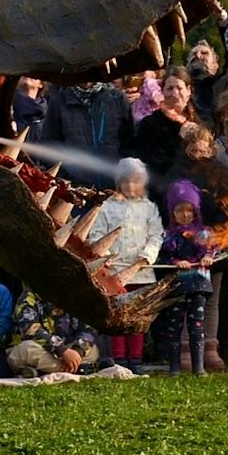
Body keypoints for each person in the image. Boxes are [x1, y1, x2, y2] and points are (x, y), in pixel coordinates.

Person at [87, 157, 165, 372]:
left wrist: (146, 258)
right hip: (114, 273)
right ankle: (119, 360)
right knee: (118, 316)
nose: (131, 186)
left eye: (135, 181)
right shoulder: (107, 208)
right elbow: (97, 233)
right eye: (126, 181)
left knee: (137, 315)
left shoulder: (149, 208)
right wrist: (105, 255)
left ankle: (136, 360)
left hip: (141, 272)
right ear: (119, 182)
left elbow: (156, 235)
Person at [173, 121, 228, 371]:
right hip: (185, 246)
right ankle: (187, 347)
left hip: (213, 246)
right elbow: (172, 205)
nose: (199, 156)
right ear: (188, 149)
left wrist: (215, 235)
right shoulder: (177, 172)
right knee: (186, 297)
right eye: (194, 151)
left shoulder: (221, 173)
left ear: (211, 150)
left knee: (211, 298)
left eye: (204, 151)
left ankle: (210, 346)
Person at [156, 179, 216, 375]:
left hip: (198, 285)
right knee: (174, 326)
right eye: (180, 210)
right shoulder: (168, 236)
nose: (185, 214)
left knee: (196, 325)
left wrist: (207, 257)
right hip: (177, 285)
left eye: (189, 210)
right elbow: (164, 256)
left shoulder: (204, 233)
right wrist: (175, 263)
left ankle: (199, 367)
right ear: (172, 212)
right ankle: (175, 367)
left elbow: (214, 248)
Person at [37, 80, 133, 190]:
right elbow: (50, 147)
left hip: (114, 188)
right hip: (77, 191)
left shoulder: (117, 99)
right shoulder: (59, 102)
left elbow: (129, 143)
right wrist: (65, 179)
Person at [8, 287, 101, 376]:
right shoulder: (29, 296)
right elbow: (30, 328)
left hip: (66, 351)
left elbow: (88, 329)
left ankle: (46, 370)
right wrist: (61, 350)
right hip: (40, 348)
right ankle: (79, 369)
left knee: (93, 351)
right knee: (26, 349)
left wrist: (77, 352)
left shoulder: (74, 297)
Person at [130, 67, 197, 174]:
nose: (175, 93)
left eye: (179, 88)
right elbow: (152, 164)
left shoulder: (201, 120)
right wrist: (180, 140)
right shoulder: (150, 125)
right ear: (162, 92)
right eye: (170, 88)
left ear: (188, 90)